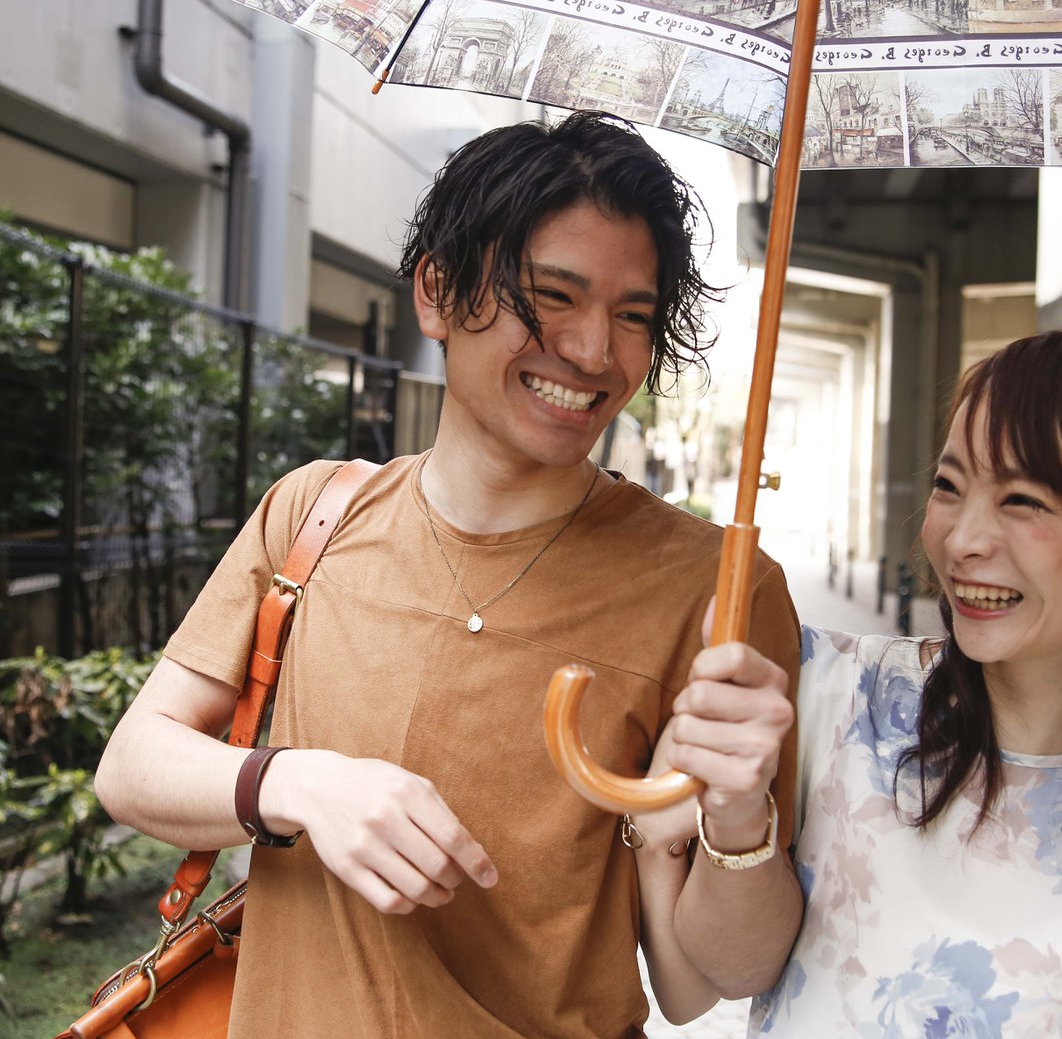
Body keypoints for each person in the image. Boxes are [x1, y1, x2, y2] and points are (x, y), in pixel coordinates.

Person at [95, 111, 803, 1038]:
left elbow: (713, 982)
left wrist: (741, 816)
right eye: (553, 296)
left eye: (633, 315)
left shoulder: (717, 590)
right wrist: (300, 785)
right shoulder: (315, 514)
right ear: (436, 290)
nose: (595, 353)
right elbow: (132, 765)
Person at [746, 331, 1062, 1035]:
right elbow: (698, 979)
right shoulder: (830, 693)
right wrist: (733, 819)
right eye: (949, 486)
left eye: (1022, 501)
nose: (961, 540)